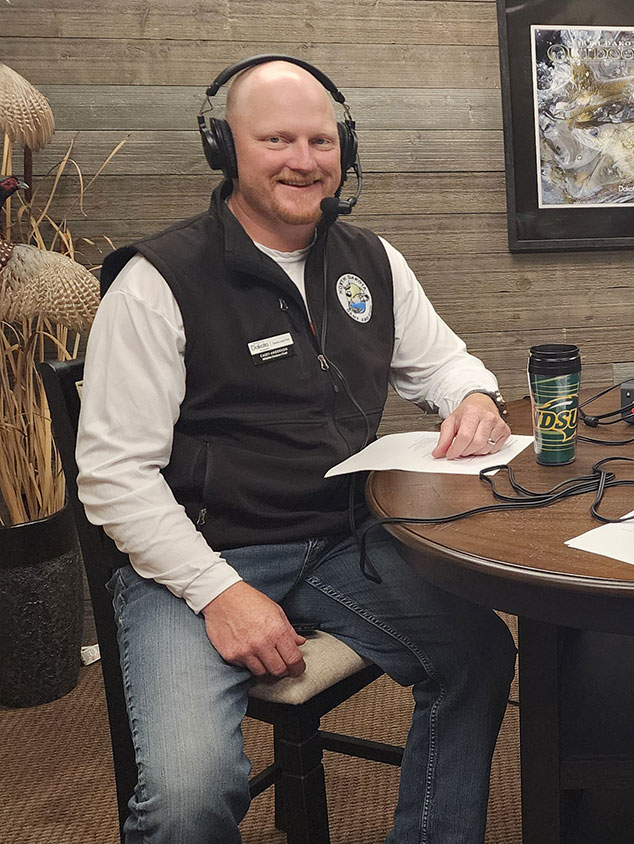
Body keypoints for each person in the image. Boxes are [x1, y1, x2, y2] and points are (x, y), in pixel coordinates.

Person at [75, 56, 516, 844]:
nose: (303, 160)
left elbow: (445, 363)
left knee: (477, 652)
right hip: (195, 562)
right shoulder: (156, 281)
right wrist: (221, 592)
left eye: (320, 139)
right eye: (276, 138)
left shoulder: (371, 262)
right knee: (188, 797)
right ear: (224, 146)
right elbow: (113, 478)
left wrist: (473, 397)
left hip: (343, 538)